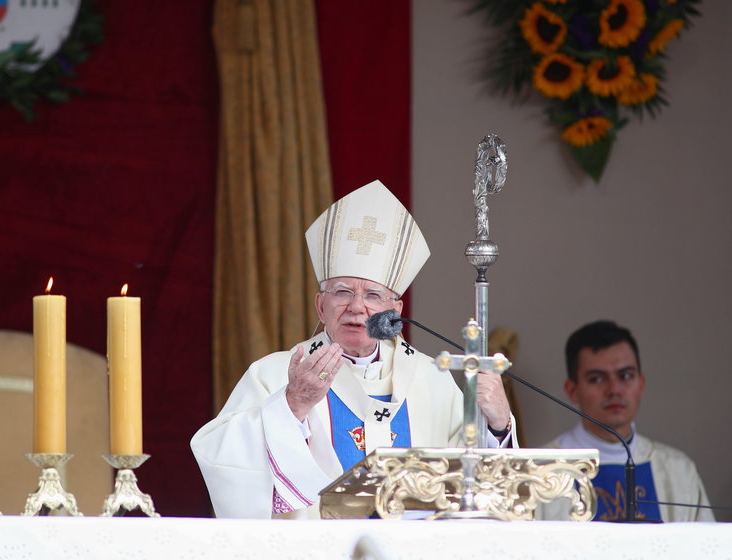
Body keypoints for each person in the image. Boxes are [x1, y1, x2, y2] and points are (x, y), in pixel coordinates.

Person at [191, 180, 516, 518]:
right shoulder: (274, 374)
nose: (357, 307)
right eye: (343, 292)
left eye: (373, 295)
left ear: (396, 311)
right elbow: (220, 455)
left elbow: (472, 486)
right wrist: (291, 406)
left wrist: (498, 427)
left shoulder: (431, 379)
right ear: (320, 306)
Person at [542, 320, 714, 522]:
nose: (614, 389)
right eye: (597, 379)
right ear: (572, 390)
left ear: (641, 384)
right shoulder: (541, 471)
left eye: (625, 376)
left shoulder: (677, 469)